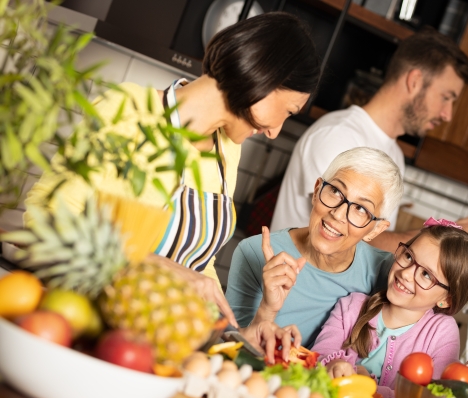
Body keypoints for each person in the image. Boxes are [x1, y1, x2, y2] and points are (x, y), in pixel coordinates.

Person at [24, 12, 321, 351]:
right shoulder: (129, 110)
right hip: (85, 330)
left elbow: (197, 264)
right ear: (265, 80)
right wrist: (168, 271)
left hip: (157, 345)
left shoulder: (227, 151)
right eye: (288, 111)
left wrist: (239, 334)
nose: (274, 131)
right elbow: (45, 217)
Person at [226, 147, 468, 383]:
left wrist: (464, 382)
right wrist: (267, 312)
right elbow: (226, 355)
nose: (338, 215)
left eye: (360, 210)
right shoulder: (254, 253)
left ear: (375, 229)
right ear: (317, 190)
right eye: (335, 192)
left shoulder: (388, 273)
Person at [269, 27, 468, 256]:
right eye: (446, 98)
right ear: (414, 81)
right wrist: (447, 235)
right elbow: (351, 239)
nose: (447, 114)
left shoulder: (394, 156)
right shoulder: (339, 135)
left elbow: (371, 244)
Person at [312, 220, 468, 398]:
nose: (406, 273)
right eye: (409, 257)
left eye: (426, 275)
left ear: (446, 299)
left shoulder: (441, 331)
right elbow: (318, 355)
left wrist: (367, 387)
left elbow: (431, 396)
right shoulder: (351, 306)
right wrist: (335, 365)